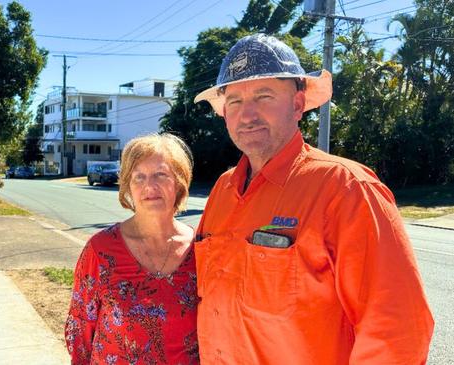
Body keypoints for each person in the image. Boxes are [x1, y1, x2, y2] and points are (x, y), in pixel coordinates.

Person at [192, 33, 434, 364]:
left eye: (264, 96)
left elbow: (397, 331)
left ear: (297, 105)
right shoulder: (223, 189)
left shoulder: (346, 189)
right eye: (234, 101)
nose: (247, 115)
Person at [65, 133, 199, 365]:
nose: (150, 186)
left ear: (179, 182)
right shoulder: (101, 250)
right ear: (128, 185)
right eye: (139, 177)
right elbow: (80, 327)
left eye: (161, 174)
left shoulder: (201, 249)